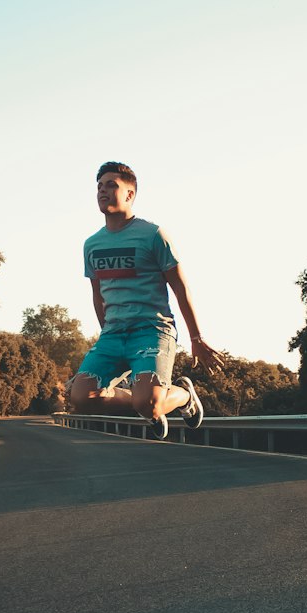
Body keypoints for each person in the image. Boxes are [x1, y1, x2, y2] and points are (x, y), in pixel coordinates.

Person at [70, 162, 225, 439]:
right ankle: (147, 405)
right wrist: (106, 331)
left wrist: (196, 337)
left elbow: (180, 287)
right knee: (81, 396)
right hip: (113, 335)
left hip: (152, 332)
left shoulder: (153, 235)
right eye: (99, 187)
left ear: (130, 195)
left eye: (111, 185)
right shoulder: (91, 244)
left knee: (148, 402)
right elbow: (98, 294)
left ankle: (182, 396)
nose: (102, 191)